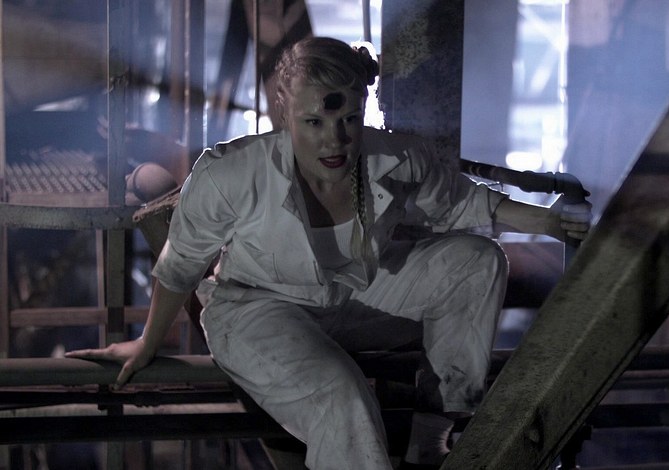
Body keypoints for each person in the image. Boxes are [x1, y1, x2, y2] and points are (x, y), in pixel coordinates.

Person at [67, 36, 591, 470]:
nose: (334, 140)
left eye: (348, 119)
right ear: (284, 112)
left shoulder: (393, 157)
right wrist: (146, 343)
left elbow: (463, 202)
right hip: (257, 307)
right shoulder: (231, 173)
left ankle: (431, 442)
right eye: (314, 122)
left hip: (354, 294)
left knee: (477, 261)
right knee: (343, 398)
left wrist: (548, 222)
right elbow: (179, 266)